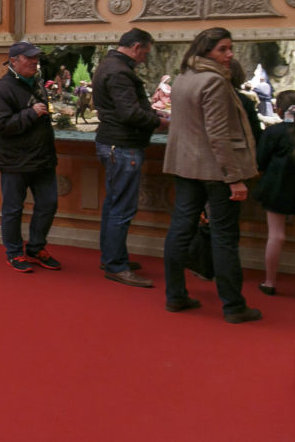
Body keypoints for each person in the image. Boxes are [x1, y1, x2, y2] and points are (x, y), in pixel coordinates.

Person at [162, 27, 261, 324]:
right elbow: (218, 135)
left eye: (230, 48)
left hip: (185, 167)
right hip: (216, 171)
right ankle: (233, 306)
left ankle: (175, 296)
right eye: (223, 49)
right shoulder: (215, 82)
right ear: (205, 50)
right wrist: (234, 177)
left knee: (180, 229)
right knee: (224, 237)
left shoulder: (183, 78)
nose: (229, 54)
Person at [91, 29, 167, 288]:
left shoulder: (108, 66)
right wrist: (159, 121)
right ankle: (115, 265)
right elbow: (130, 113)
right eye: (144, 53)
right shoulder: (120, 71)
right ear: (136, 47)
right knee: (122, 207)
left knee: (114, 204)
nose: (144, 58)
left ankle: (112, 257)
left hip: (112, 143)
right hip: (122, 145)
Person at [0, 41, 61, 273]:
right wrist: (30, 114)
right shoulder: (2, 89)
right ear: (14, 61)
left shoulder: (37, 83)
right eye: (29, 58)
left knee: (48, 204)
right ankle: (14, 252)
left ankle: (36, 248)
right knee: (13, 209)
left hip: (42, 160)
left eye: (36, 58)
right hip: (14, 161)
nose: (34, 62)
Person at [256, 90, 295, 300]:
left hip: (276, 188)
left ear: (279, 109)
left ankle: (270, 282)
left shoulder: (273, 132)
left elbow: (260, 161)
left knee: (276, 235)